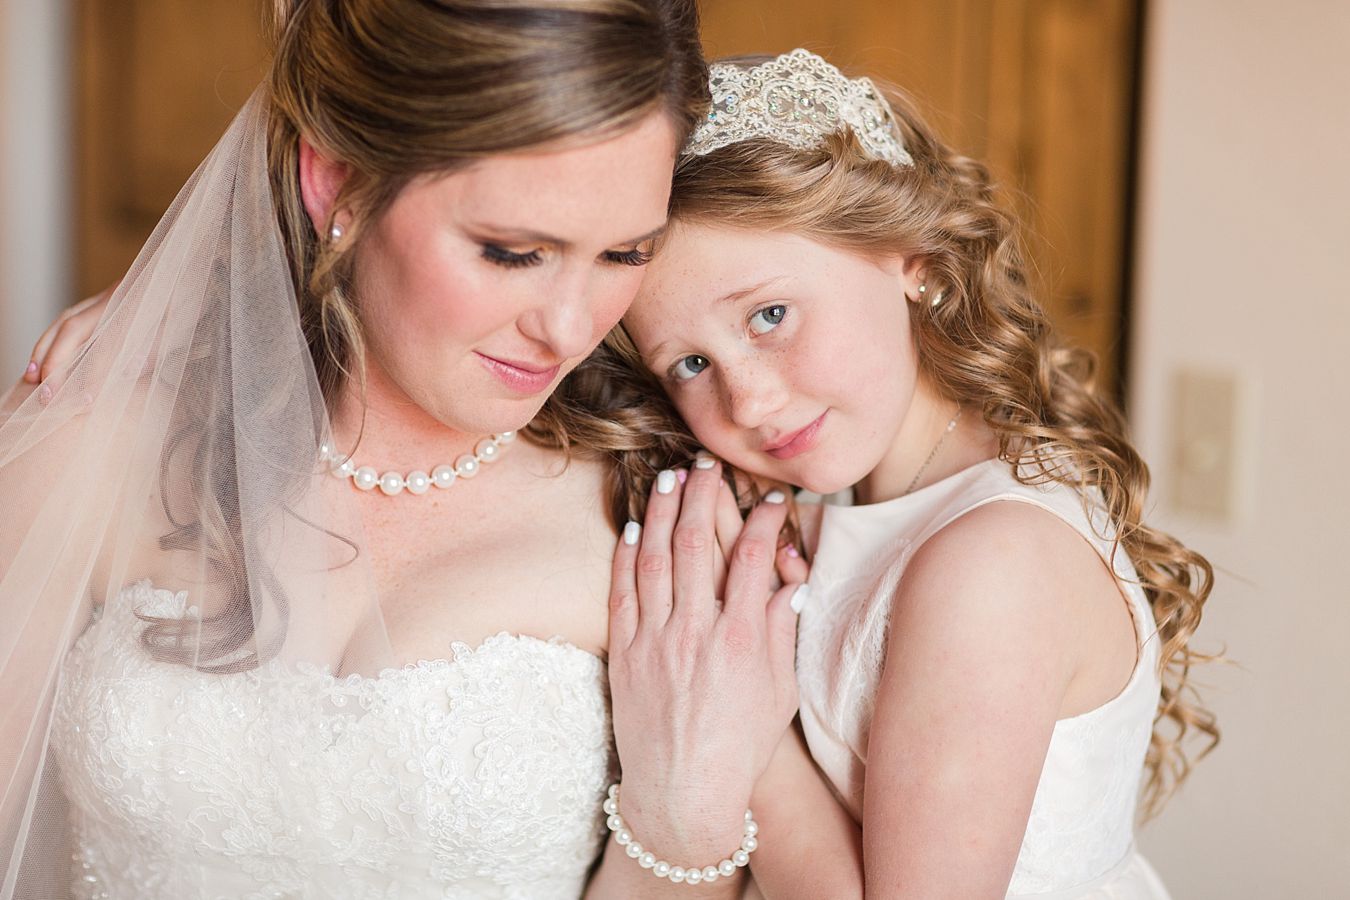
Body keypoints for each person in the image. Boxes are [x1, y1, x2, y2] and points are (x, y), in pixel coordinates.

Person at [0, 4, 807, 898]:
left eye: (625, 252)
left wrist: (678, 826)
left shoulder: (664, 521)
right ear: (336, 183)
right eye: (511, 252)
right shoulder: (99, 442)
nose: (569, 328)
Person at [595, 49, 1219, 897]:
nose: (748, 399)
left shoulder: (992, 564)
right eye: (690, 364)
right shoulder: (857, 511)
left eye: (769, 315)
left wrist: (747, 738)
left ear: (912, 259)